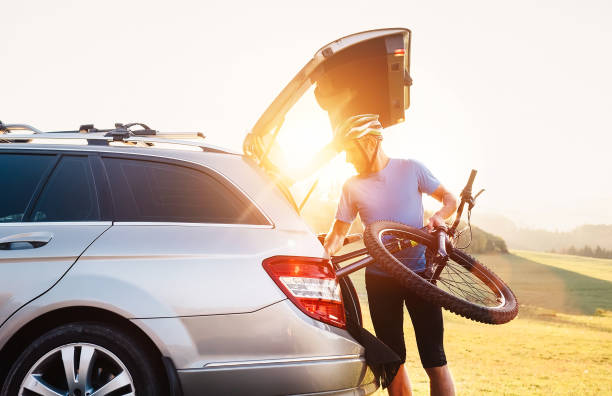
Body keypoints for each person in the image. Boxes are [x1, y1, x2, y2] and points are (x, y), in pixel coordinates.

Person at [323, 115, 458, 396]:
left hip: (419, 274)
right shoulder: (351, 186)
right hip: (380, 281)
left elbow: (450, 200)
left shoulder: (411, 169)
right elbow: (337, 234)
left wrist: (438, 218)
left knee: (435, 359)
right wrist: (324, 256)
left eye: (350, 149)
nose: (347, 159)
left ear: (369, 143)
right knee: (393, 363)